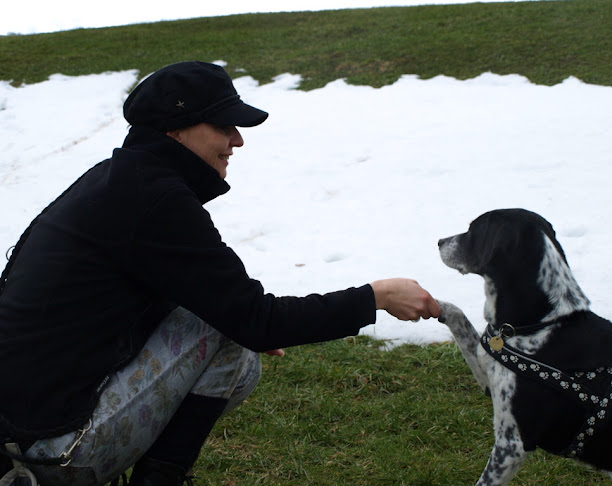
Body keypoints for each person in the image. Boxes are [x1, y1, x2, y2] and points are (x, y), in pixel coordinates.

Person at [0, 61, 441, 486]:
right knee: (232, 339)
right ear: (176, 129)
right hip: (48, 449)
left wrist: (234, 323)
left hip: (23, 432)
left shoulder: (119, 180)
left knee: (228, 334)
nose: (237, 140)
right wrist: (375, 297)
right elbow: (258, 321)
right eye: (223, 125)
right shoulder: (156, 198)